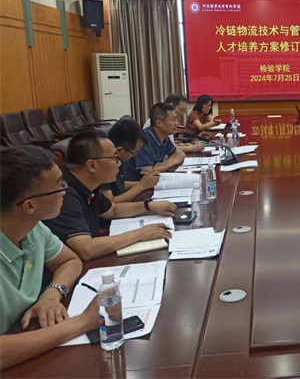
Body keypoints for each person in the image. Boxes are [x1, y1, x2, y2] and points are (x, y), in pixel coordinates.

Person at [0, 146, 98, 370]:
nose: (65, 190)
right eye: (59, 185)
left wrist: (51, 295)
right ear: (30, 205)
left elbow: (69, 261)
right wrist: (83, 322)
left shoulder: (33, 228)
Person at [43, 131, 174, 261]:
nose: (119, 163)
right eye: (114, 158)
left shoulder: (88, 185)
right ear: (92, 165)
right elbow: (86, 249)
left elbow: (113, 210)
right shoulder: (64, 195)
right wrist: (140, 234)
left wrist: (149, 206)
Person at [101, 118, 160, 203]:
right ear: (119, 150)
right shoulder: (104, 163)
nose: (134, 156)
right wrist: (141, 186)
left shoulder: (120, 158)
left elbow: (119, 184)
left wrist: (146, 183)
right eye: (134, 153)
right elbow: (110, 204)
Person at [123, 102, 186, 181]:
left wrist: (160, 166)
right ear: (159, 123)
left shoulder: (164, 137)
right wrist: (174, 161)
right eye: (173, 120)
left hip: (154, 181)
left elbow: (179, 154)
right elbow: (148, 173)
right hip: (136, 184)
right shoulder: (142, 139)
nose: (177, 123)